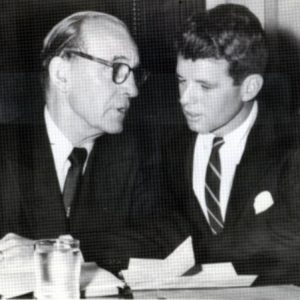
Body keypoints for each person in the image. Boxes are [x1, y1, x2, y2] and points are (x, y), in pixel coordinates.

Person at [0, 11, 155, 274]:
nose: (133, 89)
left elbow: (168, 237)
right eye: (117, 68)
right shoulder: (6, 148)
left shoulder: (142, 150)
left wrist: (54, 252)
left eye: (133, 73)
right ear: (62, 74)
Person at [159, 4, 300, 284]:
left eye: (204, 86)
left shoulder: (291, 145)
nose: (185, 98)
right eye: (181, 81)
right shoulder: (165, 145)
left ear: (250, 87)